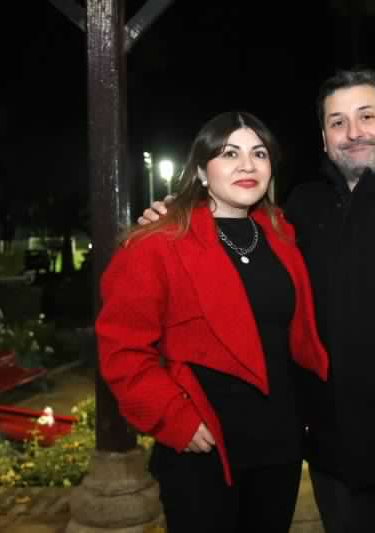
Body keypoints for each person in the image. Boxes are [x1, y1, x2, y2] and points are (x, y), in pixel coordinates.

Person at [138, 68, 375, 533]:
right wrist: (175, 214)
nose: (353, 132)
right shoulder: (302, 208)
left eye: (366, 116)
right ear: (324, 138)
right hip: (335, 459)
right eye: (338, 122)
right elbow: (233, 230)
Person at [96, 111, 329, 533]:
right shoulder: (156, 244)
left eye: (259, 154)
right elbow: (121, 350)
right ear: (202, 172)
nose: (247, 165)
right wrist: (173, 417)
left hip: (278, 447)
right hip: (204, 449)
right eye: (229, 153)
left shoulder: (281, 236)